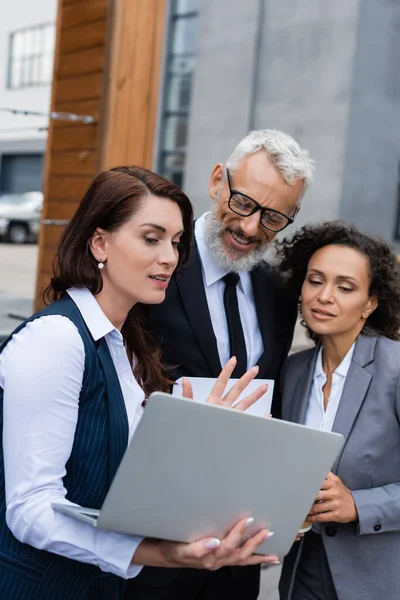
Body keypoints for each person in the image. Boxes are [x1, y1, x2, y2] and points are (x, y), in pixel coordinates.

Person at [0, 166, 280, 600]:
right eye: (151, 238)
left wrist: (199, 438)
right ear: (100, 243)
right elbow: (29, 510)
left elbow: (123, 480)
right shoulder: (56, 340)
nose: (169, 257)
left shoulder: (127, 346)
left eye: (175, 242)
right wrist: (164, 554)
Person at [133, 130, 314, 600]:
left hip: (237, 559)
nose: (252, 228)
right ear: (217, 180)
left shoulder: (278, 293)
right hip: (150, 542)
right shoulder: (156, 264)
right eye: (244, 203)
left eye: (274, 218)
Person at [275, 221, 400, 600]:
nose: (324, 296)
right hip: (301, 571)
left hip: (377, 579)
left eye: (345, 287)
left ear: (371, 303)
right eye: (315, 281)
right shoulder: (294, 371)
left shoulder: (395, 368)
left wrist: (358, 505)